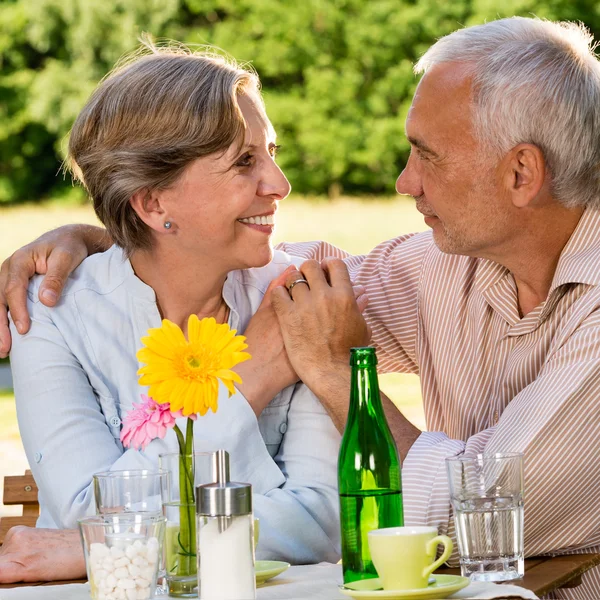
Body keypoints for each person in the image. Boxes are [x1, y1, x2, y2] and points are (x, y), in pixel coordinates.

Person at [1, 15, 600, 598]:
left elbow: (382, 515)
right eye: (245, 160)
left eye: (428, 154)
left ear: (522, 173)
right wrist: (106, 233)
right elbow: (197, 255)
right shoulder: (435, 268)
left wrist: (338, 372)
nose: (403, 181)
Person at [0, 42, 369, 578]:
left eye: (272, 151)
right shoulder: (54, 313)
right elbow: (85, 510)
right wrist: (248, 381)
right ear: (153, 203)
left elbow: (319, 522)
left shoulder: (299, 301)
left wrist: (116, 542)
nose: (280, 184)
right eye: (246, 161)